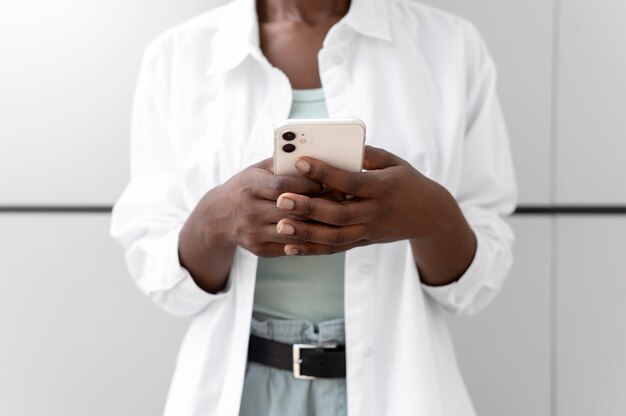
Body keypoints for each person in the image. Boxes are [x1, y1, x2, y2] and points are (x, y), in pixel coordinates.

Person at [110, 0, 517, 414]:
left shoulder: (449, 46)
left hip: (396, 391)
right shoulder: (178, 56)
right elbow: (164, 280)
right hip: (241, 392)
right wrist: (214, 222)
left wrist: (431, 216)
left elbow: (475, 286)